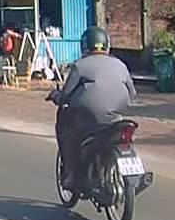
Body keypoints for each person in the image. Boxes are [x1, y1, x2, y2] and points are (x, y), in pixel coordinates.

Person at [49, 26, 137, 190]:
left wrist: (56, 96)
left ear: (84, 45)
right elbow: (132, 94)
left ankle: (71, 174)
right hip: (115, 119)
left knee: (67, 132)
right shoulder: (120, 65)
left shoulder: (80, 65)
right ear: (107, 44)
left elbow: (65, 95)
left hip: (88, 121)